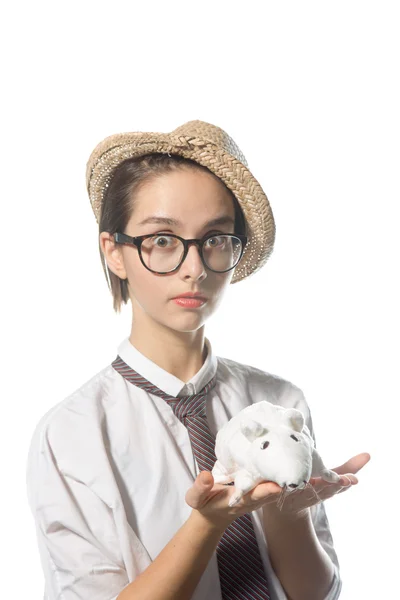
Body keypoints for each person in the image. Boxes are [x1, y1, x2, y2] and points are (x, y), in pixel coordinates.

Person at [25, 120, 370, 600]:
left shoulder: (278, 401)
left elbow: (316, 594)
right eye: (162, 239)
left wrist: (285, 511)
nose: (194, 268)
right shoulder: (73, 434)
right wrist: (207, 524)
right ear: (115, 253)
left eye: (215, 239)